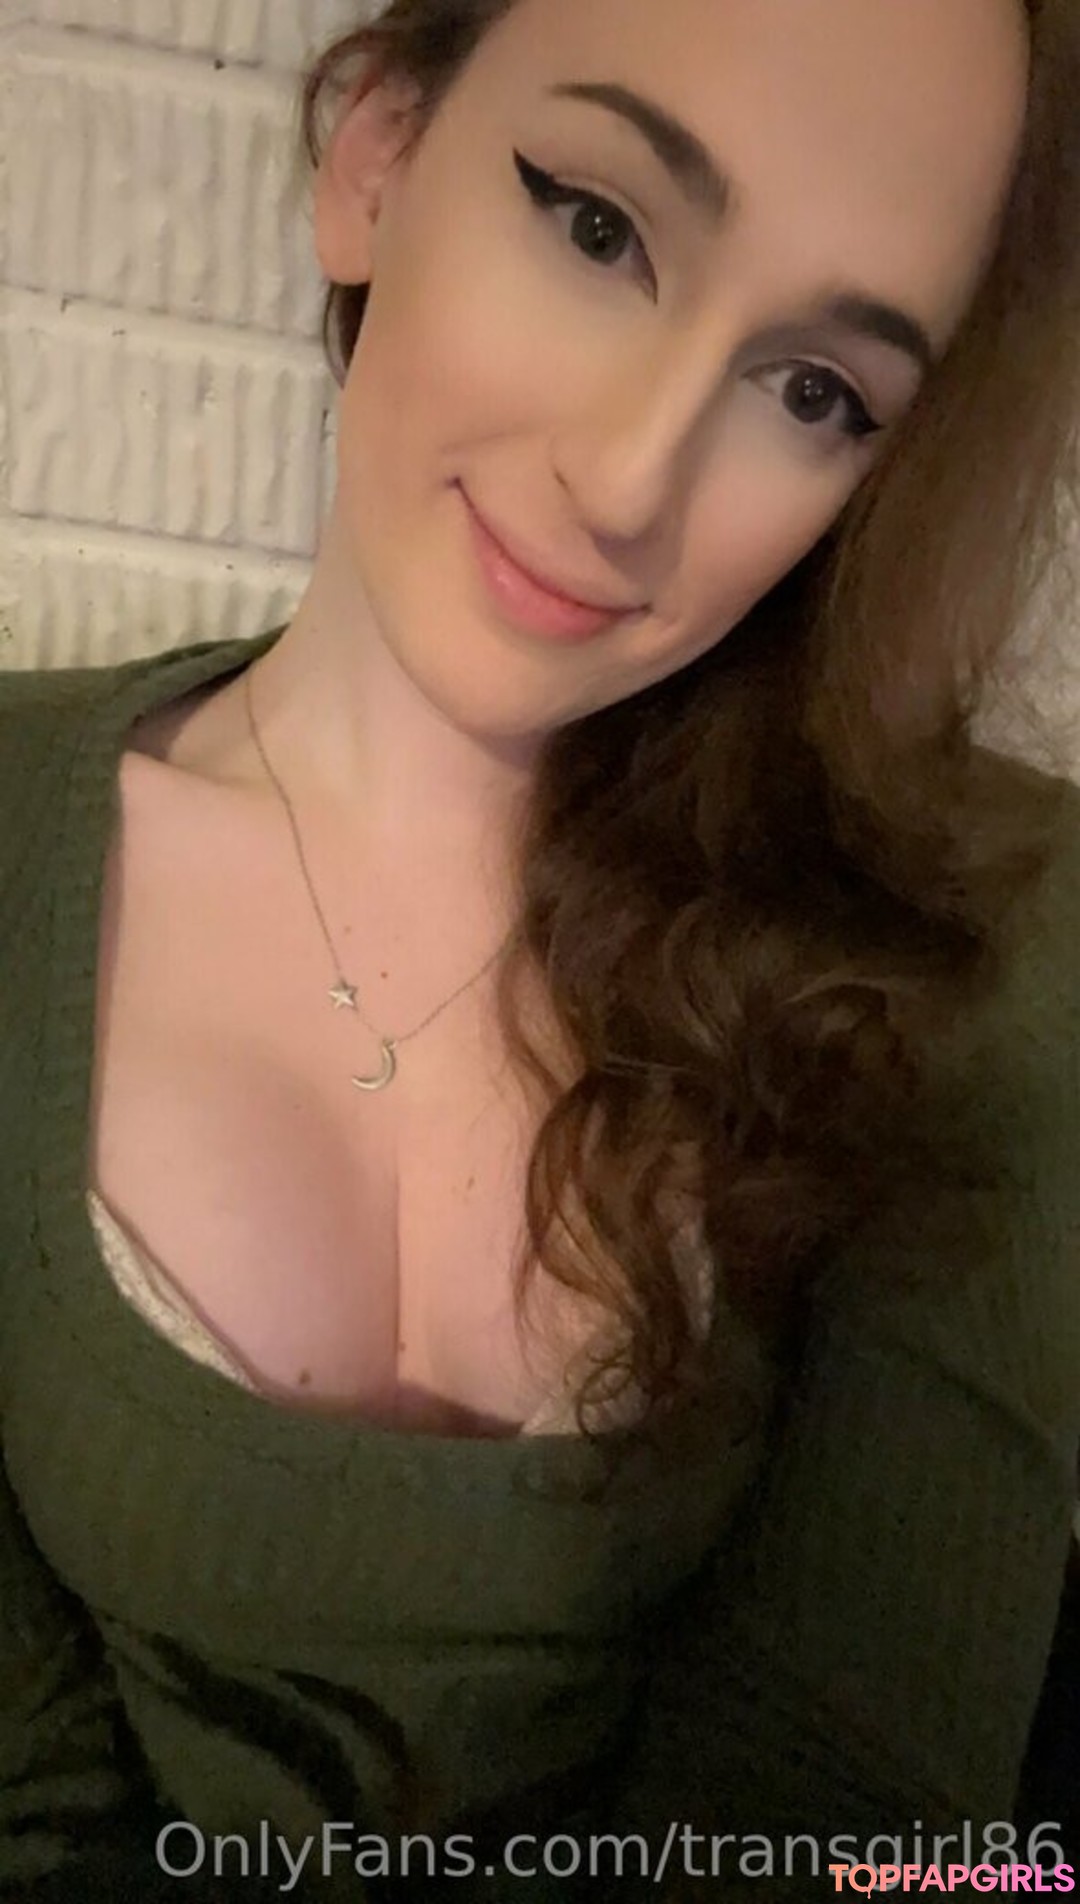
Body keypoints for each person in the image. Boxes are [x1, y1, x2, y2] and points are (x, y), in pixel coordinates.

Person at [1, 0, 1079, 1896]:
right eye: (599, 226)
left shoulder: (978, 938)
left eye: (814, 390)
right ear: (376, 154)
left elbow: (858, 1818)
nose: (632, 478)